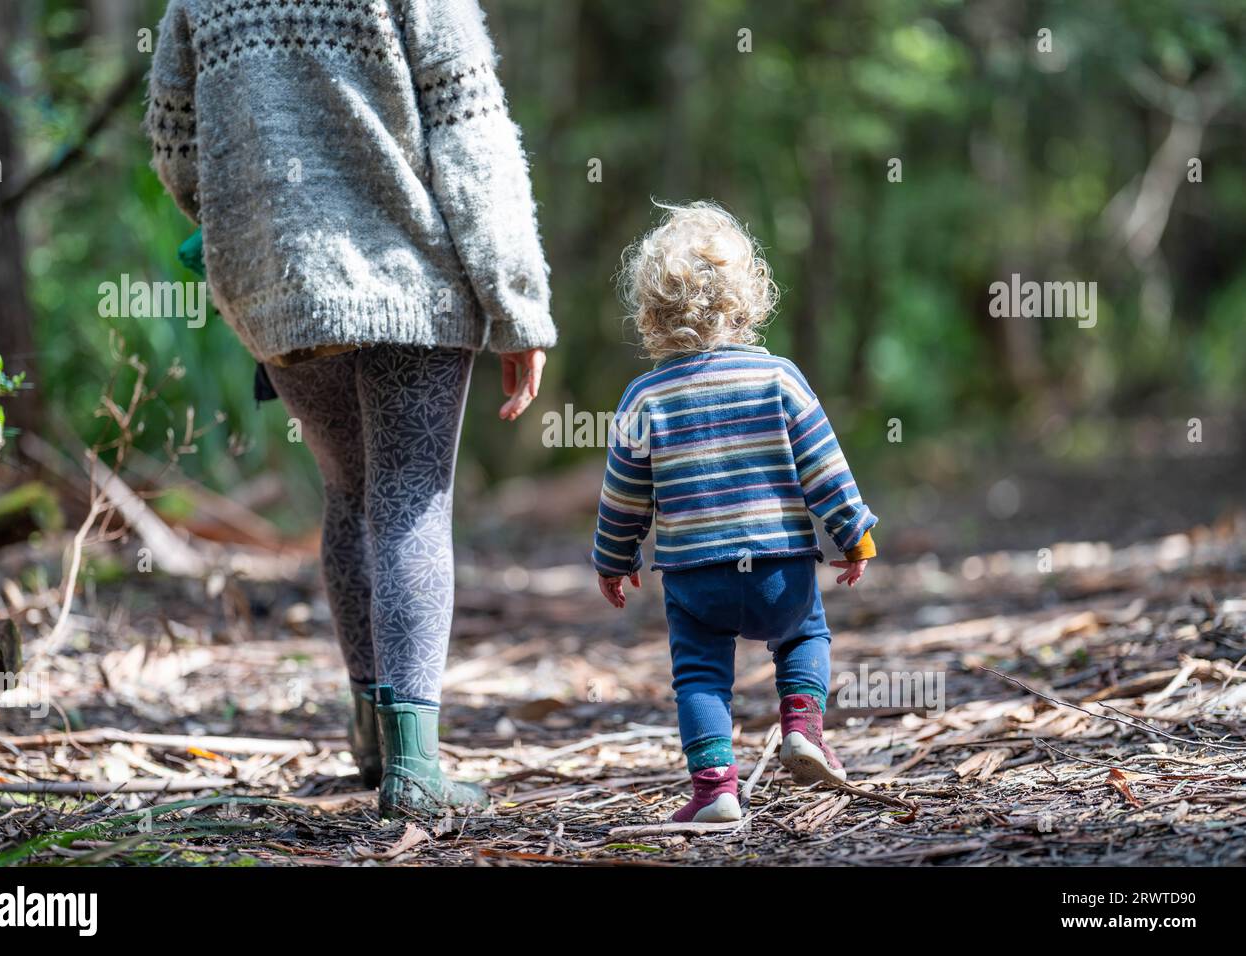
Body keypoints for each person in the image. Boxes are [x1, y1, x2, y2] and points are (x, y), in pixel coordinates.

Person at [146, 0, 556, 812]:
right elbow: (471, 134)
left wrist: (253, 228)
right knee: (408, 501)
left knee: (348, 492)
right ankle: (414, 769)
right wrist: (518, 306)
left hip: (281, 289)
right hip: (412, 279)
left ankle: (373, 732)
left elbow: (173, 142)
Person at [592, 202, 878, 823]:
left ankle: (716, 788)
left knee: (698, 674)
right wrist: (853, 534)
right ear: (747, 298)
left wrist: (613, 560)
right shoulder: (780, 378)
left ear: (651, 312)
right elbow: (824, 466)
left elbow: (624, 495)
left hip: (697, 578)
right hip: (781, 569)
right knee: (804, 632)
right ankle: (802, 725)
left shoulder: (644, 397)